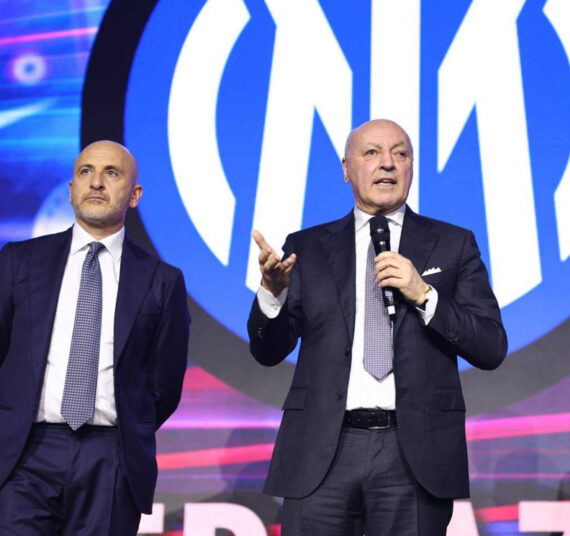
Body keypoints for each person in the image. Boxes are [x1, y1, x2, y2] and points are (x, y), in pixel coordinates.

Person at [248, 119, 507, 534]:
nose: (387, 163)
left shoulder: (453, 243)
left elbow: (491, 347)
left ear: (412, 167)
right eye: (371, 153)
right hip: (322, 450)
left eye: (400, 154)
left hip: (414, 454)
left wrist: (425, 295)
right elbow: (267, 351)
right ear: (346, 168)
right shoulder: (307, 247)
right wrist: (272, 294)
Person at [0, 141, 190, 535]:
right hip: (25, 451)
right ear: (71, 190)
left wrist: (127, 432)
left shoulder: (162, 281)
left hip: (110, 457)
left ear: (134, 195)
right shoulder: (18, 261)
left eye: (112, 173)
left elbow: (165, 385)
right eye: (86, 171)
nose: (97, 182)